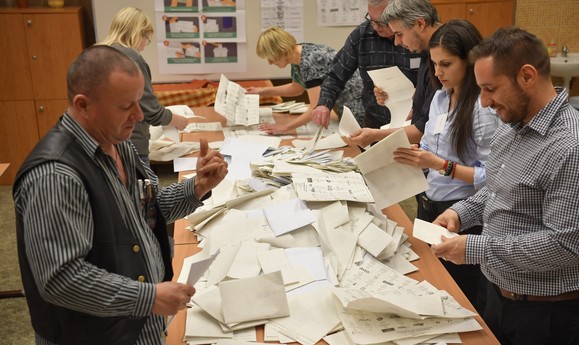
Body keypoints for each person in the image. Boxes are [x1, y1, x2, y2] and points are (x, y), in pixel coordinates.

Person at [13, 45, 228, 345]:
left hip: (135, 324)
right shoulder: (56, 175)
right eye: (126, 106)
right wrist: (148, 297)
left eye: (139, 102)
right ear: (83, 105)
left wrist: (198, 187)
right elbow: (60, 278)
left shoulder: (118, 144)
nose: (139, 116)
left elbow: (146, 213)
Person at [431, 26, 579, 345]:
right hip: (501, 295)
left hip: (551, 314)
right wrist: (460, 214)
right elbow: (499, 188)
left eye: (491, 89)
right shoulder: (513, 124)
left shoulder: (577, 148)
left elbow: (563, 246)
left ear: (527, 76)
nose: (485, 102)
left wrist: (472, 248)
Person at [392, 19, 499, 313]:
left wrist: (442, 165)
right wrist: (419, 154)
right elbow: (429, 143)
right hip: (431, 203)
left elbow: (493, 178)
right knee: (437, 286)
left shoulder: (483, 109)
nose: (438, 72)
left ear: (469, 61)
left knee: (463, 297)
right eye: (434, 63)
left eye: (446, 64)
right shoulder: (440, 97)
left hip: (464, 212)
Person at [311, 0, 422, 130]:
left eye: (382, 22)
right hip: (376, 120)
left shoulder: (416, 36)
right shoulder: (362, 35)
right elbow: (336, 75)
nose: (375, 27)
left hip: (414, 121)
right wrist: (324, 104)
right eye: (371, 19)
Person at [99, 6, 189, 166]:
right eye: (147, 39)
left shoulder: (99, 53)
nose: (144, 45)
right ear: (138, 33)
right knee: (142, 190)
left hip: (104, 142)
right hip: (132, 145)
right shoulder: (133, 59)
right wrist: (176, 120)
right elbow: (150, 111)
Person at [348, 0, 441, 147]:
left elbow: (424, 128)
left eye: (399, 34)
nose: (397, 42)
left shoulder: (443, 55)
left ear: (420, 24)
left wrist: (375, 135)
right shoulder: (427, 52)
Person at [245, 26, 364, 135]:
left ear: (283, 50)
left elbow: (315, 107)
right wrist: (263, 91)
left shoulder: (310, 60)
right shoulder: (297, 56)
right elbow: (296, 88)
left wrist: (285, 127)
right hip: (344, 107)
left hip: (357, 108)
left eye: (271, 57)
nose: (270, 63)